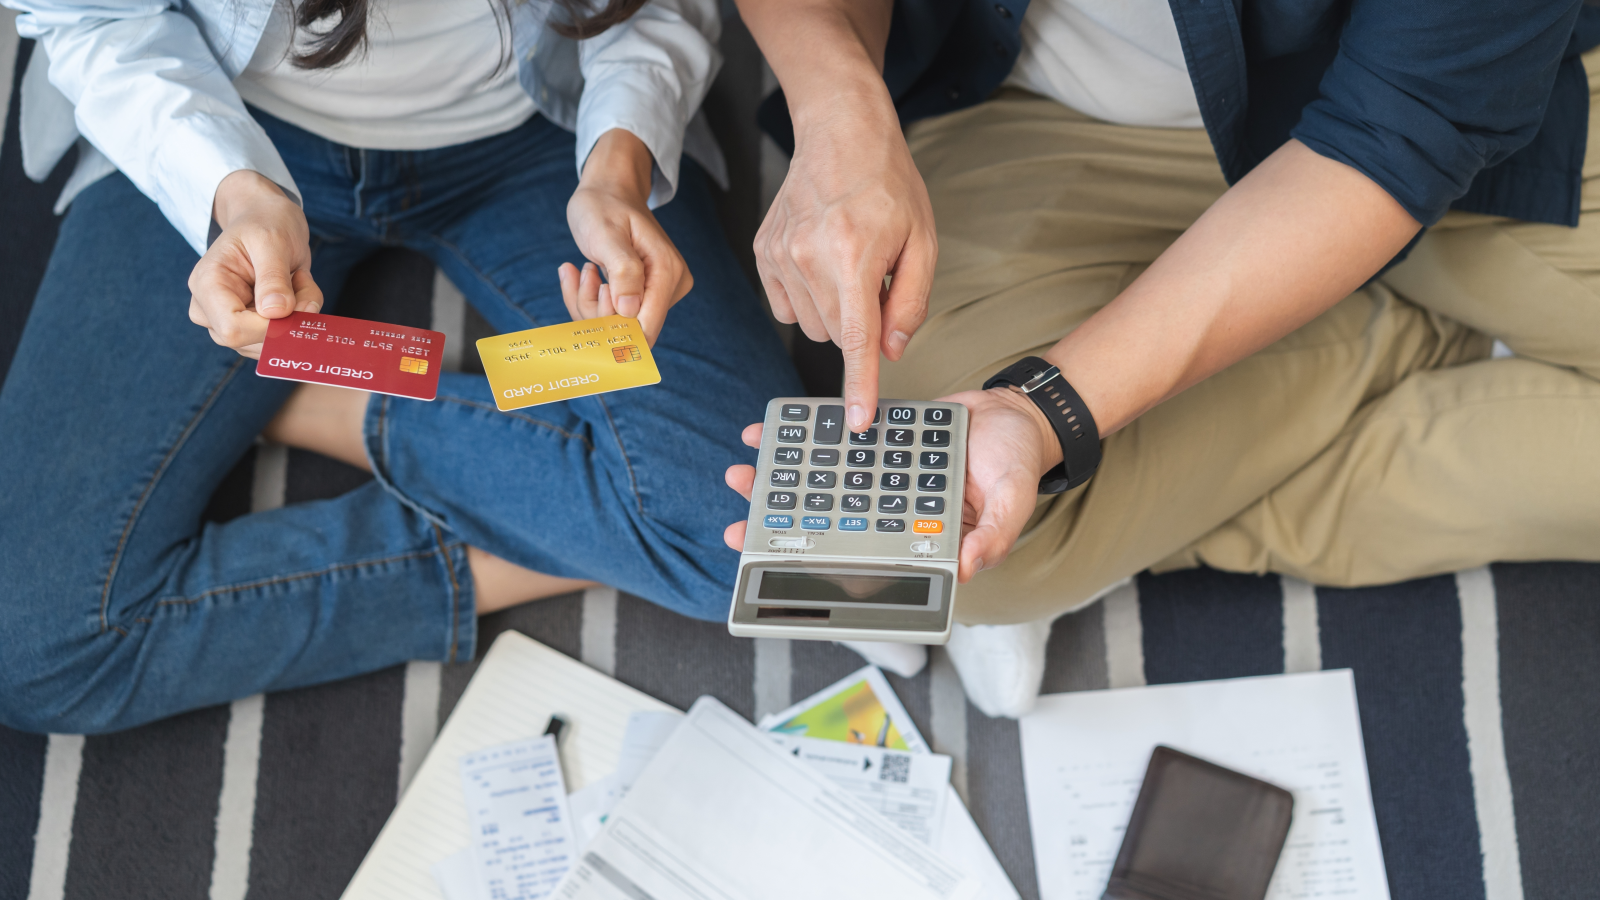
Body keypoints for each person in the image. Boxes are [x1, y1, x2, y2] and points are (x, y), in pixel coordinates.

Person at [724, 0, 1600, 715]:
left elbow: (1404, 130)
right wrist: (842, 108)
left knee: (999, 510)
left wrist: (1051, 408)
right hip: (1052, 123)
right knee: (946, 542)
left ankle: (1173, 477)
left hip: (1460, 125)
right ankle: (1389, 333)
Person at [0, 0, 803, 733]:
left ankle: (329, 399)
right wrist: (232, 191)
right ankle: (606, 533)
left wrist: (617, 170)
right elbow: (91, 18)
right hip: (228, 121)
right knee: (39, 646)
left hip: (542, 134)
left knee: (769, 539)